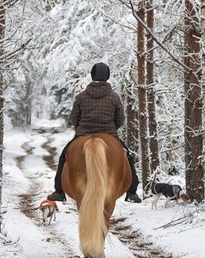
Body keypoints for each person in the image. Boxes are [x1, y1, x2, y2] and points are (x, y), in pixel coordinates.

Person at [47, 62, 142, 203]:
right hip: (109, 134)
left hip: (83, 134)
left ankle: (59, 191)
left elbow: (74, 117)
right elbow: (120, 119)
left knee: (63, 157)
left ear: (92, 75)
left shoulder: (81, 96)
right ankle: (132, 191)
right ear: (107, 76)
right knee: (128, 157)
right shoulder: (114, 97)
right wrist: (111, 130)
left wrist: (81, 129)